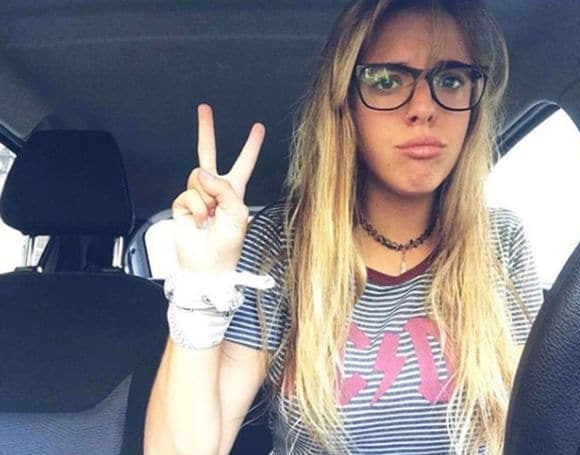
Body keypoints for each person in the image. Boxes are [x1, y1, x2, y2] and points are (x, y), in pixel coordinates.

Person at [144, 0, 543, 453]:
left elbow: (536, 429)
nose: (423, 107)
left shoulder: (500, 242)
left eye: (450, 79)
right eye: (387, 80)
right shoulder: (279, 246)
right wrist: (201, 286)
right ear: (345, 104)